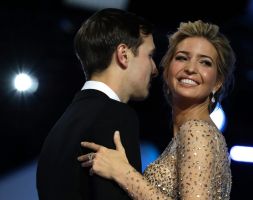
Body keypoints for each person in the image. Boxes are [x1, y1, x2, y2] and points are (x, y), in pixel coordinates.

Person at [78, 19, 236, 200]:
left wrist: (123, 173)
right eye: (182, 58)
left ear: (217, 83)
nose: (191, 68)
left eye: (205, 62)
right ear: (167, 70)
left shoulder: (198, 132)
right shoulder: (189, 134)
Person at [36, 8, 158, 200]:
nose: (154, 69)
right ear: (123, 54)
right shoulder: (116, 115)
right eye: (150, 55)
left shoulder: (57, 131)